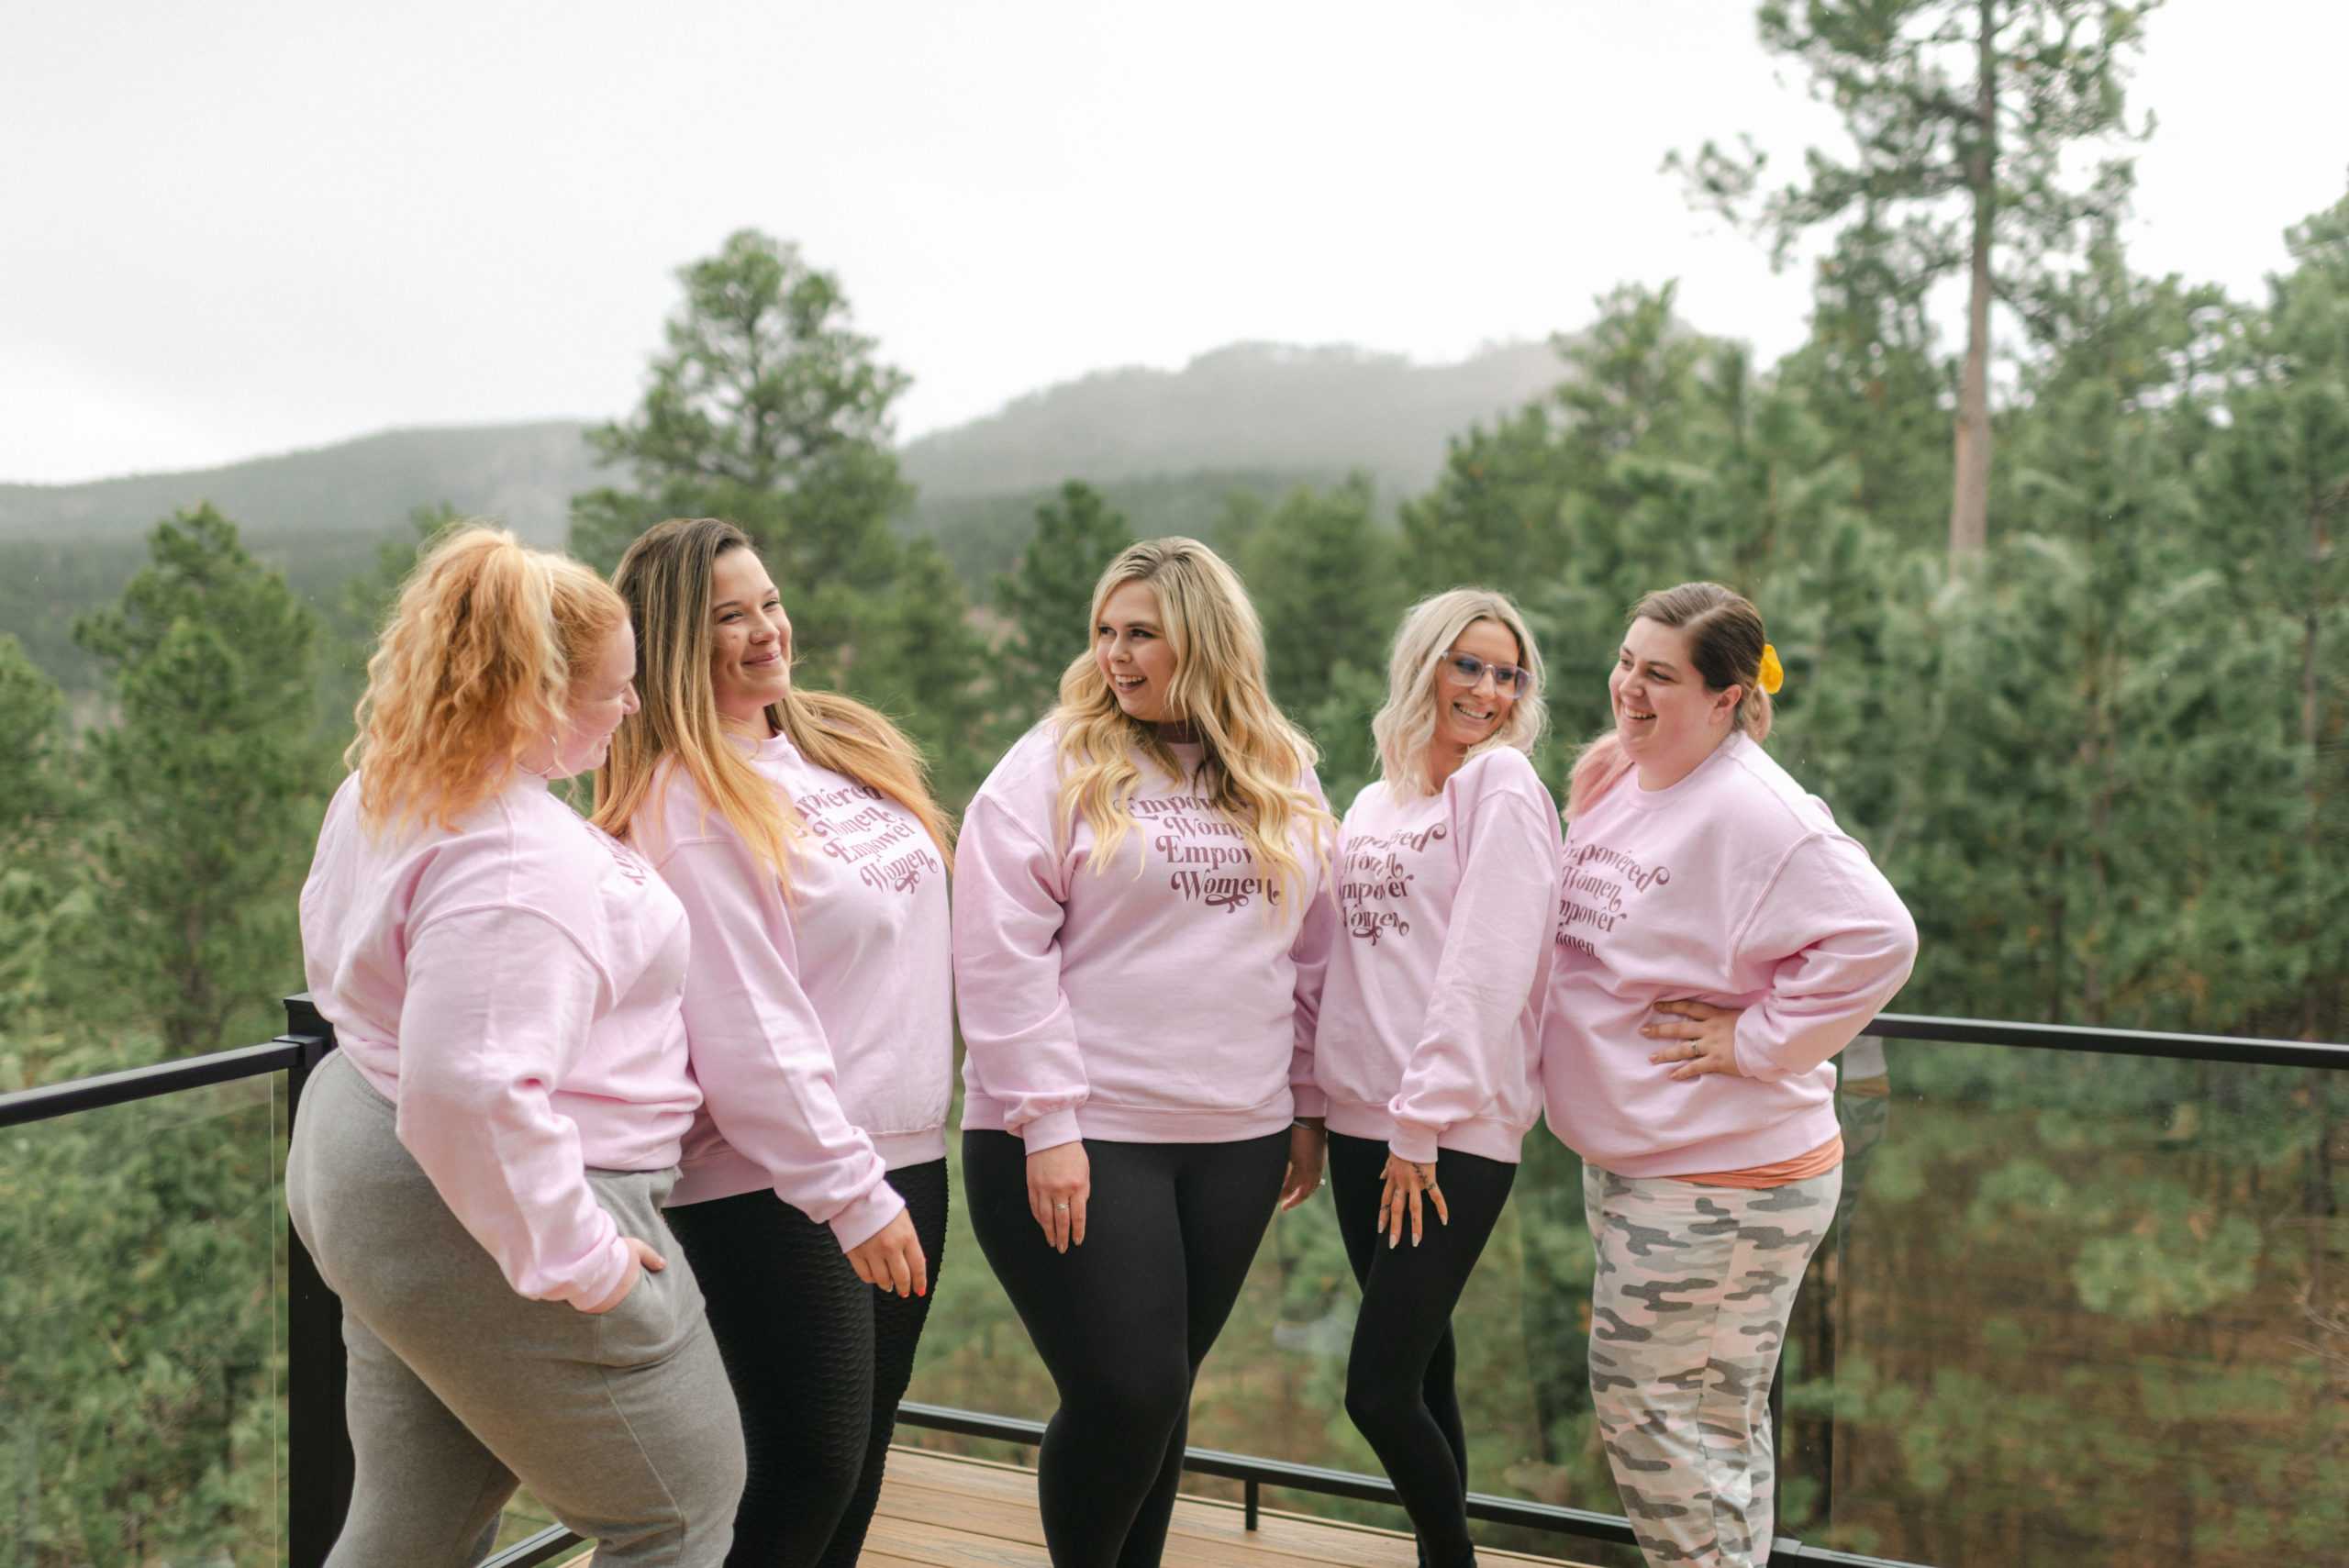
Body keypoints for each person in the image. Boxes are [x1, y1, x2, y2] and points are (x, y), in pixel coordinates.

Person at [286, 526, 744, 1568]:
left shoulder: (394, 783)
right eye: (610, 691)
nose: (630, 708)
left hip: (369, 1155)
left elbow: (344, 954)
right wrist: (580, 1255)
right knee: (680, 1507)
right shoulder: (515, 862)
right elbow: (469, 1086)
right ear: (533, 694)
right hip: (488, 1201)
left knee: (416, 1518)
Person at [952, 537, 1335, 1568]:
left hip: (1239, 1137)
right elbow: (997, 953)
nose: (1116, 655)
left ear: (1203, 642)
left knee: (1161, 1398)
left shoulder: (1279, 766)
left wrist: (1305, 1108)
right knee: (1128, 1391)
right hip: (1082, 1132)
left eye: (1142, 634)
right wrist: (1046, 1121)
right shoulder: (1052, 763)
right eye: (1105, 632)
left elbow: (1311, 949)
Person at [591, 516, 952, 1568]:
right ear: (666, 645)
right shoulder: (688, 800)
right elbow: (746, 1025)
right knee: (800, 1481)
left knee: (856, 1472)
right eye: (727, 618)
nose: (765, 631)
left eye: (770, 602)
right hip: (780, 1184)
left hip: (903, 1153)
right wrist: (850, 1190)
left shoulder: (832, 749)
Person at [1542, 583, 1917, 1568]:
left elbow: (1879, 937)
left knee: (1658, 1427)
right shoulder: (1631, 773)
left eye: (1658, 673)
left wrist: (1752, 1040)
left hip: (1720, 1180)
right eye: (1626, 659)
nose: (1627, 684)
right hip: (1651, 1162)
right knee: (1707, 1425)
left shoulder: (1759, 812)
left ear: (1725, 696)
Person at [1308, 588, 1563, 1568]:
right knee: (1423, 1367)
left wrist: (1422, 1119)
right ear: (1424, 664)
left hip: (1445, 1131)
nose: (1488, 689)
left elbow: (1485, 962)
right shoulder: (1376, 800)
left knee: (1374, 1387)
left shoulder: (1500, 784)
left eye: (1506, 672)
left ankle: (1451, 1556)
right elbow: (1344, 956)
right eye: (1469, 664)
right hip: (1360, 1119)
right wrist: (1317, 1106)